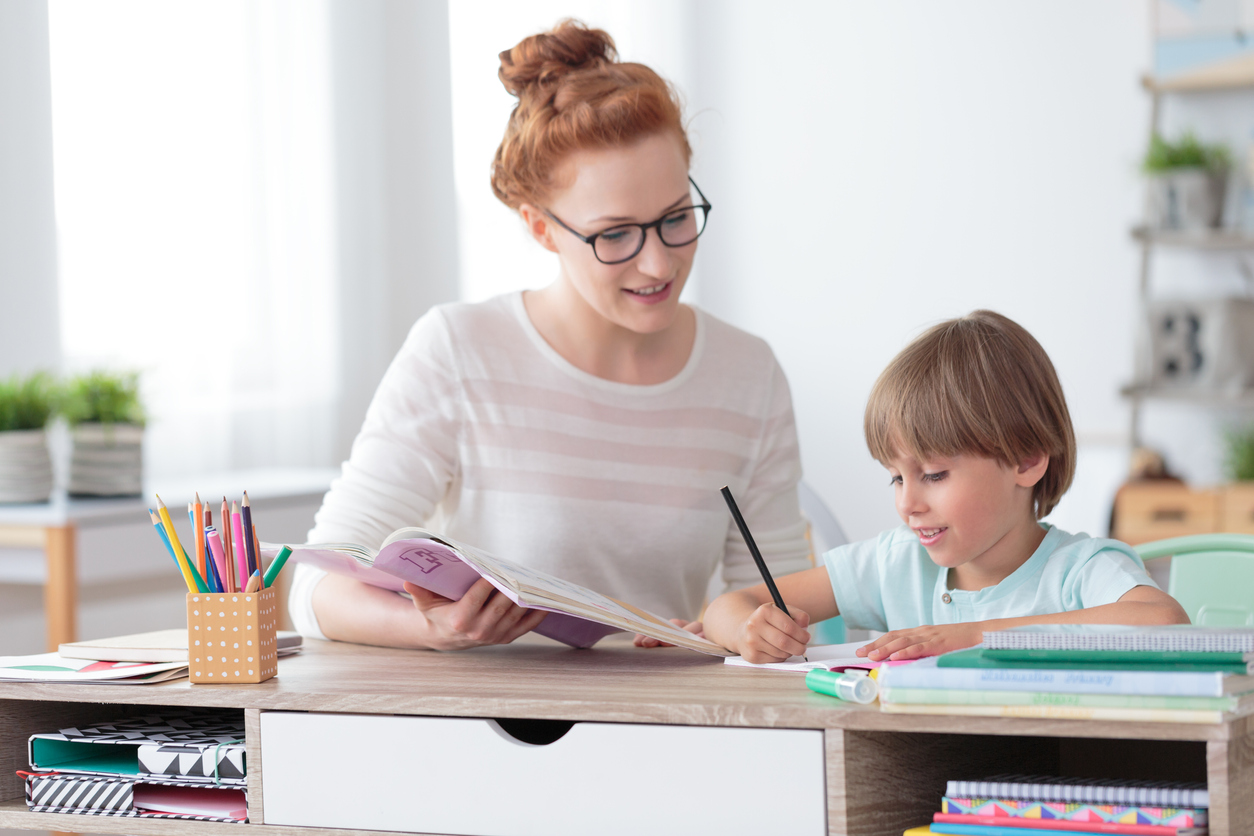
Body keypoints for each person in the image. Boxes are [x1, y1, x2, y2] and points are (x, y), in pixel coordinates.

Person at [288, 20, 811, 650]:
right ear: (540, 228)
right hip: (488, 726)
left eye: (676, 218)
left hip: (664, 723)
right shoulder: (460, 350)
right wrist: (434, 629)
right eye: (615, 234)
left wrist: (734, 634)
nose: (659, 264)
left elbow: (784, 597)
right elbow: (312, 590)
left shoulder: (747, 373)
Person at [703, 310, 1190, 664]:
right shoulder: (895, 564)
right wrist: (750, 631)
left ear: (1026, 459)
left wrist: (971, 634)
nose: (907, 503)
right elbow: (726, 607)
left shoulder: (1078, 572)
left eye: (933, 475)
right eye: (896, 477)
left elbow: (1163, 622)